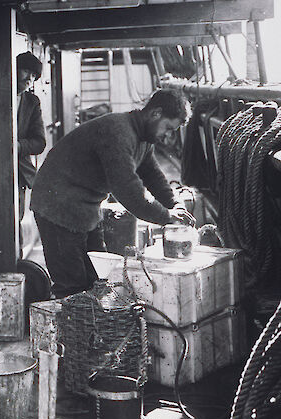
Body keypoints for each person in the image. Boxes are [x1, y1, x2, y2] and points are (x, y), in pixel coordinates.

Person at [31, 88, 196, 299]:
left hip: (84, 208)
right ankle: (70, 330)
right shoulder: (118, 132)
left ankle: (90, 328)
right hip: (57, 206)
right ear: (155, 113)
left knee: (98, 278)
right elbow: (128, 190)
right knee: (71, 286)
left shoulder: (143, 139)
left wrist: (175, 205)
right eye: (168, 128)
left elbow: (153, 176)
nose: (168, 137)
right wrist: (165, 217)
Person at [16, 51, 47, 223]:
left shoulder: (32, 102)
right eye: (26, 70)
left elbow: (39, 143)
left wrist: (19, 146)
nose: (30, 78)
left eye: (34, 75)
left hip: (19, 171)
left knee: (15, 222)